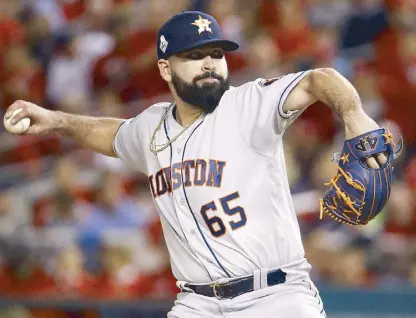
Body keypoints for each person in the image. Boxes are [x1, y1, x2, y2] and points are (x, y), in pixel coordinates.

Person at [5, 10, 387, 318]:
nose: (210, 64)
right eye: (194, 56)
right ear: (165, 69)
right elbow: (111, 134)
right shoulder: (151, 127)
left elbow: (319, 80)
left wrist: (354, 116)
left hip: (275, 298)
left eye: (216, 54)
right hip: (198, 303)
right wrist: (56, 120)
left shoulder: (247, 104)